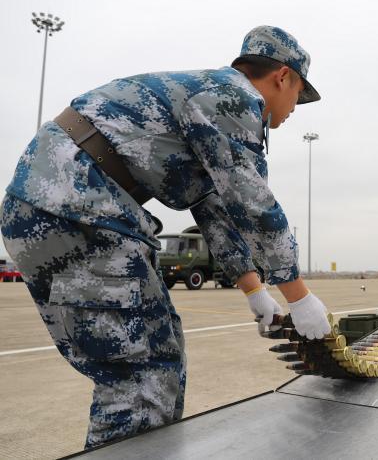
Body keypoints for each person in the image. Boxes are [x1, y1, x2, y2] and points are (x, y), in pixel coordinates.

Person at [0, 25, 331, 448]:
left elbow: (216, 209)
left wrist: (256, 293)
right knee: (141, 376)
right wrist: (300, 297)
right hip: (80, 208)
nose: (293, 110)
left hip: (54, 205)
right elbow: (253, 205)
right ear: (282, 77)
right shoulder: (232, 97)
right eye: (298, 96)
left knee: (159, 349)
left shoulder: (204, 102)